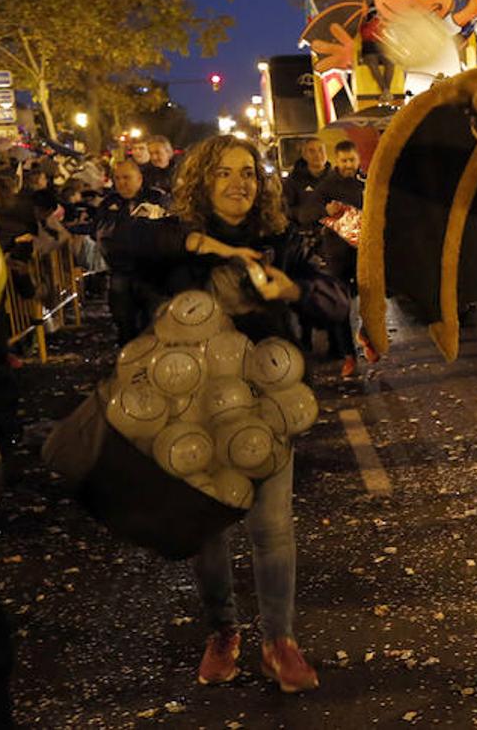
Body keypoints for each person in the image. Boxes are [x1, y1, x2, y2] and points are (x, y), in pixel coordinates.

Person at [113, 135, 348, 694]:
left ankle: (279, 642)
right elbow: (123, 241)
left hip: (267, 405)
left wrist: (294, 289)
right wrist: (205, 246)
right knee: (210, 531)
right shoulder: (171, 234)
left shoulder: (282, 238)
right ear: (200, 180)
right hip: (190, 410)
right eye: (223, 173)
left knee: (271, 527)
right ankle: (223, 631)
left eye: (248, 173)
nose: (239, 183)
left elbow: (336, 299)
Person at [94, 159, 169, 344]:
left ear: (139, 178)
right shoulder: (109, 202)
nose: (122, 183)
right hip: (121, 270)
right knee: (123, 320)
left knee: (155, 321)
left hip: (153, 272)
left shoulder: (157, 199)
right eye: (117, 178)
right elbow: (98, 229)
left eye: (127, 177)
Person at [315, 140, 365, 378]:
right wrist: (325, 211)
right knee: (341, 306)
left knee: (370, 300)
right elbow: (307, 211)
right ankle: (348, 355)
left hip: (364, 253)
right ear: (336, 161)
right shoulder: (326, 186)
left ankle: (368, 338)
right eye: (344, 161)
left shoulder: (365, 181)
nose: (349, 165)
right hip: (337, 255)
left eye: (352, 160)